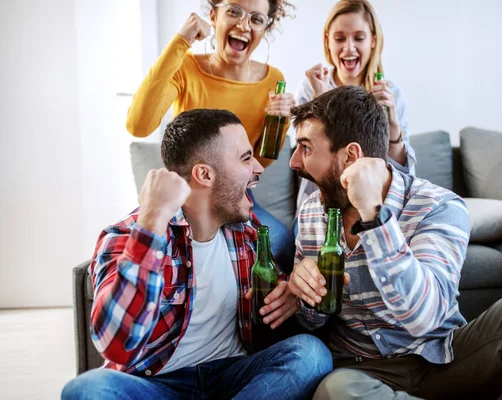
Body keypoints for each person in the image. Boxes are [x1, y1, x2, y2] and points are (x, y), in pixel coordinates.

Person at [287, 86, 502, 399]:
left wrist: (374, 217)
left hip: (443, 359)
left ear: (351, 157)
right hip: (363, 373)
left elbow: (422, 317)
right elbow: (313, 321)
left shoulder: (437, 206)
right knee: (336, 391)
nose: (293, 162)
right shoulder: (312, 213)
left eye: (305, 148)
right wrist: (305, 290)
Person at [62, 109, 332, 399]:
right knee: (87, 389)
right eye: (245, 157)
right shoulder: (126, 236)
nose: (258, 167)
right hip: (157, 385)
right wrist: (151, 224)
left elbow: (279, 315)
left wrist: (291, 294)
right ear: (204, 174)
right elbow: (116, 346)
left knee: (310, 354)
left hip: (233, 376)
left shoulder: (247, 233)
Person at [126, 0, 296, 271]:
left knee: (281, 246)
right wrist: (180, 42)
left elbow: (259, 163)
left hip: (238, 197)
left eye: (256, 19)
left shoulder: (273, 79)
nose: (243, 25)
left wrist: (281, 122)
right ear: (213, 16)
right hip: (187, 200)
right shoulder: (185, 67)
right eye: (233, 11)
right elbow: (139, 125)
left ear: (265, 28)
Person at [294, 0, 416, 215]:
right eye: (339, 38)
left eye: (359, 38)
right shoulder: (311, 86)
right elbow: (302, 158)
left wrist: (394, 129)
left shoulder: (391, 94)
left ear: (373, 41)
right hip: (321, 207)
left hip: (376, 206)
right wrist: (320, 100)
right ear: (327, 41)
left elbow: (403, 177)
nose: (349, 48)